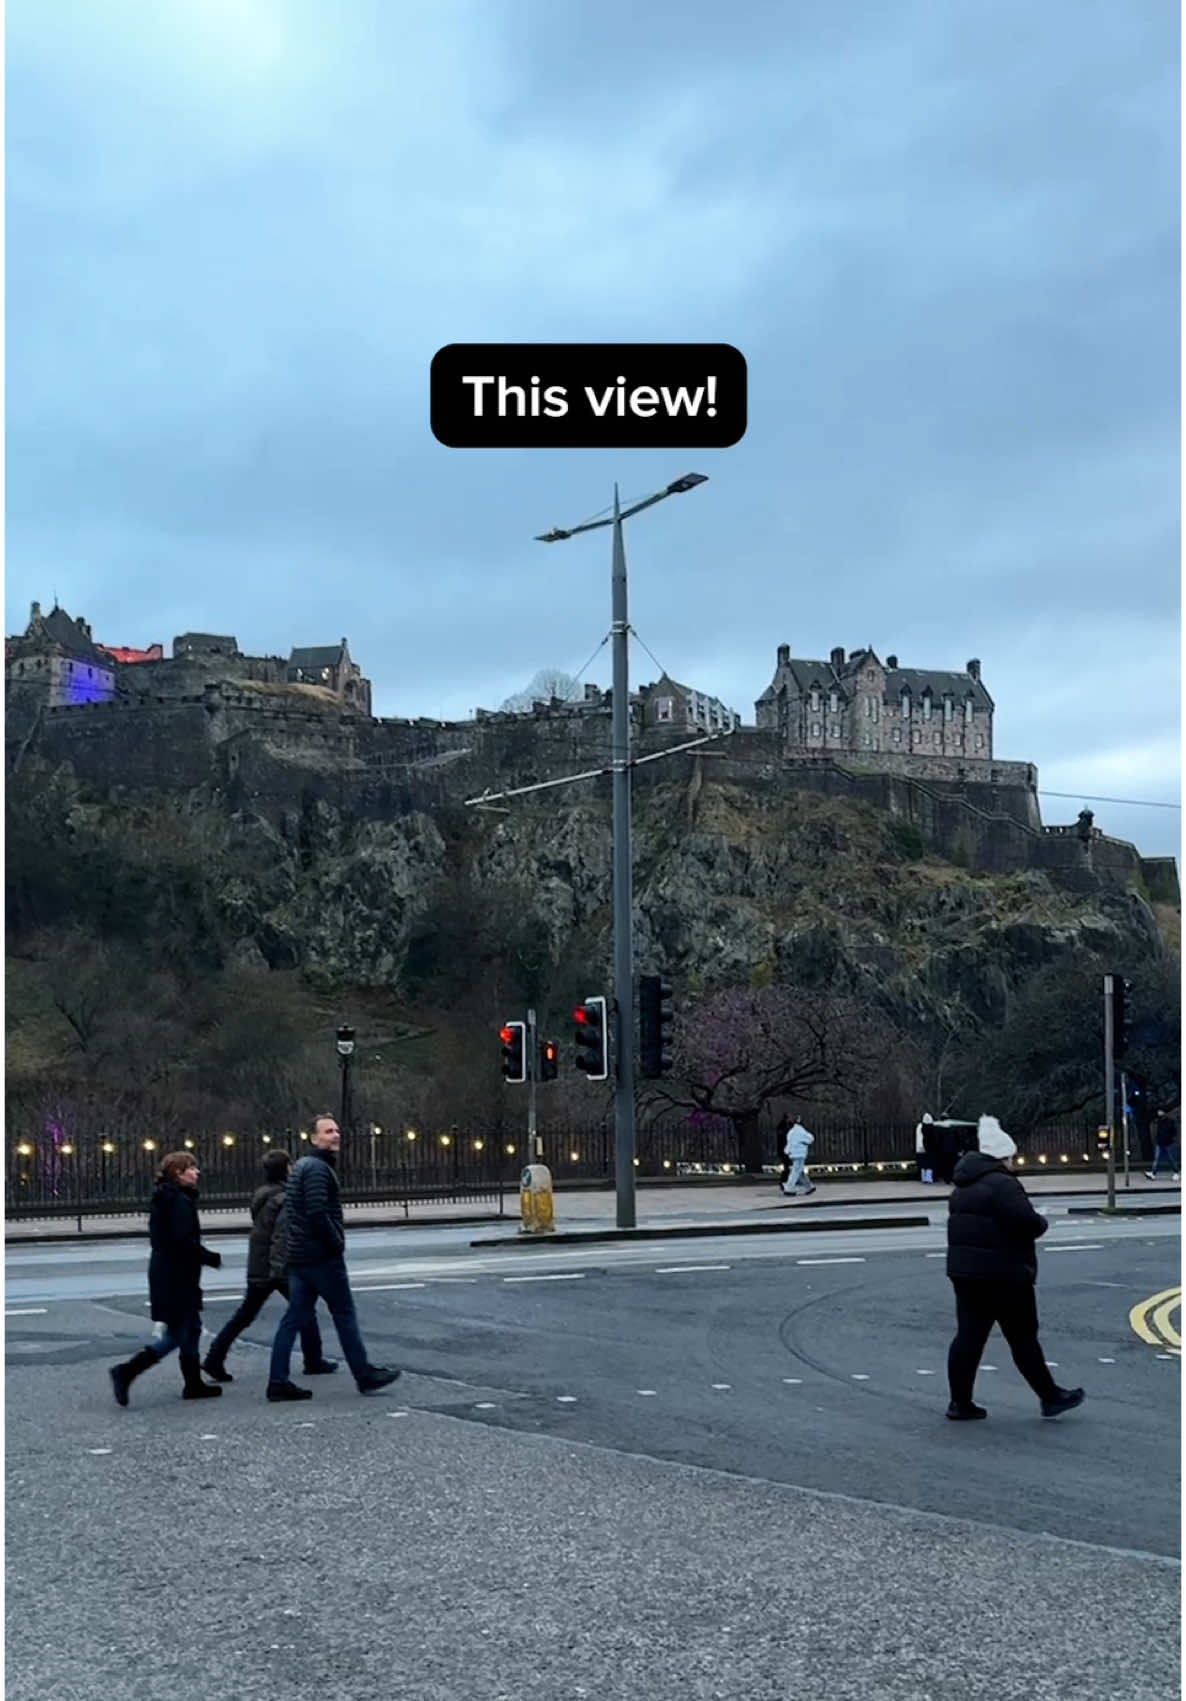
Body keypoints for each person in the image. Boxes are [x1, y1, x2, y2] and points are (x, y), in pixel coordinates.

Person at [944, 1115, 1084, 1422]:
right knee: (1022, 1337)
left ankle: (960, 1402)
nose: (1013, 1162)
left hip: (966, 1273)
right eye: (1011, 1157)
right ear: (1002, 1157)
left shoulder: (962, 1185)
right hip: (1004, 1273)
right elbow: (1027, 1223)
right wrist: (1042, 1221)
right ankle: (1050, 1397)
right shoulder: (1003, 1185)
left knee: (968, 1337)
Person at [265, 1114, 402, 1402]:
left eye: (337, 1130)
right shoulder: (316, 1169)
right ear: (314, 1139)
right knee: (344, 1314)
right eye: (328, 1131)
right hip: (321, 1258)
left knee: (293, 1319)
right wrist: (336, 1242)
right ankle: (364, 1374)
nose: (335, 1135)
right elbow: (317, 1212)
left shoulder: (302, 1166)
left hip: (301, 1258)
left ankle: (277, 1380)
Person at [201, 1150, 337, 1383]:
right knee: (304, 1311)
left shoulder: (263, 1194)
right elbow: (281, 1237)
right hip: (276, 1267)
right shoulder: (284, 1198)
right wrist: (281, 1271)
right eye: (291, 1166)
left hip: (259, 1262)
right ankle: (313, 1360)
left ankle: (215, 1357)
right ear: (286, 1170)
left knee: (244, 1315)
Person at [110, 1150, 225, 1405]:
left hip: (169, 1271)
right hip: (176, 1275)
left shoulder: (168, 1197)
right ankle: (127, 1371)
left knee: (192, 1327)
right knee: (177, 1333)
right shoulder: (178, 1201)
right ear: (178, 1173)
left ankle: (193, 1384)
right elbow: (182, 1241)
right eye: (191, 1168)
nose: (197, 1172)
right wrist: (209, 1257)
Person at [781, 1117, 816, 1196]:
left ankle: (809, 1187)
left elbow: (789, 1144)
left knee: (798, 1172)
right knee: (796, 1171)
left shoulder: (791, 1132)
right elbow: (810, 1139)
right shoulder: (801, 1131)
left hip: (792, 1154)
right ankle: (789, 1188)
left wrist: (787, 1151)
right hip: (800, 1154)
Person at [1146, 1111, 1179, 1181]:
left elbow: (1174, 1131)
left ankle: (1176, 1172)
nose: (1159, 1113)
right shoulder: (1159, 1121)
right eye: (1158, 1111)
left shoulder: (1169, 1121)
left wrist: (1170, 1138)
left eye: (1160, 1111)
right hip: (1160, 1143)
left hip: (1168, 1143)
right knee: (1157, 1159)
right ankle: (1153, 1173)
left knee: (1170, 1159)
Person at [916, 1113, 936, 1184]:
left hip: (920, 1149)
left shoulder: (919, 1127)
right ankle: (929, 1178)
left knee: (923, 1164)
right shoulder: (932, 1128)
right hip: (930, 1149)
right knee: (930, 1164)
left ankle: (923, 1178)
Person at [775, 1115, 792, 1192]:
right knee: (787, 1167)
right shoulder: (782, 1127)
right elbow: (783, 1140)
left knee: (788, 1167)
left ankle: (785, 1182)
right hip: (784, 1150)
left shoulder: (788, 1126)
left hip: (787, 1150)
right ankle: (784, 1182)